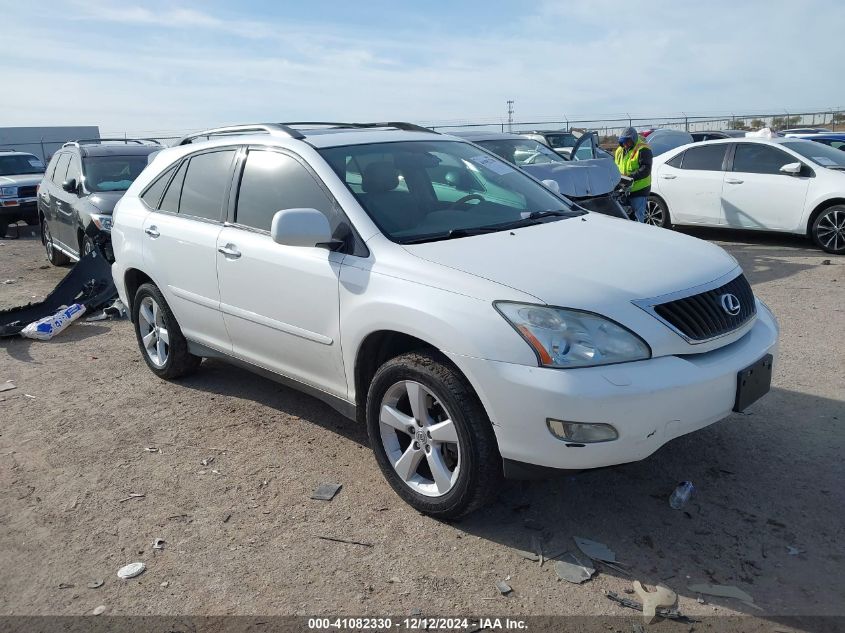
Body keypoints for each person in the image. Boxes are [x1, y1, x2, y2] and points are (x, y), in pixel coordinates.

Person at [614, 126, 653, 223]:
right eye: (623, 142)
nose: (626, 144)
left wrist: (630, 178)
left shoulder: (643, 149)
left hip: (639, 190)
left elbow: (646, 169)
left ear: (633, 139)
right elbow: (615, 167)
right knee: (624, 218)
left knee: (638, 219)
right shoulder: (620, 150)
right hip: (623, 189)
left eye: (628, 141)